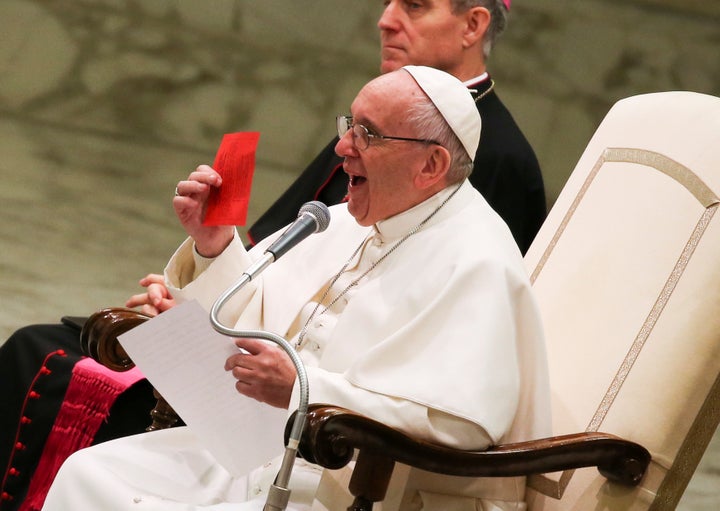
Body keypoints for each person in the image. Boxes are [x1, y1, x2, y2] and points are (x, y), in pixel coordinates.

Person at [0, 1, 545, 507]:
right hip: (259, 445)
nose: (342, 147)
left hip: (344, 481)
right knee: (89, 473)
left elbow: (458, 424)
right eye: (348, 124)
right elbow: (260, 307)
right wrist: (214, 246)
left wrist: (303, 389)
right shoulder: (354, 221)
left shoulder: (476, 260)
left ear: (431, 167)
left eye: (368, 135)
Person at [248, 0, 545, 254]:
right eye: (386, 3)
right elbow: (268, 255)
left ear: (472, 25)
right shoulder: (384, 115)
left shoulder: (503, 159)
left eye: (414, 5)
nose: (385, 21)